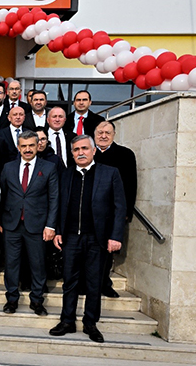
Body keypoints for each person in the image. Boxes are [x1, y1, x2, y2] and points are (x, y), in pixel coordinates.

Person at [49, 135, 126, 343]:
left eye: (84, 148)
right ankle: (67, 321)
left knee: (94, 283)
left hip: (97, 239)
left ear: (93, 150)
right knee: (69, 282)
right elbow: (59, 205)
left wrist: (115, 236)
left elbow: (120, 207)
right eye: (76, 150)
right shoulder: (65, 174)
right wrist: (58, 231)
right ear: (72, 153)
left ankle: (90, 323)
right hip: (70, 238)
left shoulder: (110, 173)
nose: (80, 152)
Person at [0, 130, 58, 317]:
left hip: (38, 225)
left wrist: (50, 226)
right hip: (11, 224)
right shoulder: (8, 167)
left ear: (38, 146)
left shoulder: (48, 167)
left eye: (31, 145)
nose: (27, 149)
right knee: (11, 264)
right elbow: (2, 195)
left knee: (38, 264)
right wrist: (0, 221)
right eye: (23, 146)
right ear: (18, 147)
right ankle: (11, 299)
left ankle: (37, 300)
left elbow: (54, 199)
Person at [93, 120, 137, 298]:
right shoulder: (88, 152)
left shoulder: (125, 155)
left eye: (107, 133)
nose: (103, 136)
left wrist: (126, 212)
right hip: (89, 211)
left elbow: (131, 185)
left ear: (114, 135)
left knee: (106, 251)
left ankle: (104, 283)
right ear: (94, 134)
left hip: (112, 213)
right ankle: (84, 283)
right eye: (100, 132)